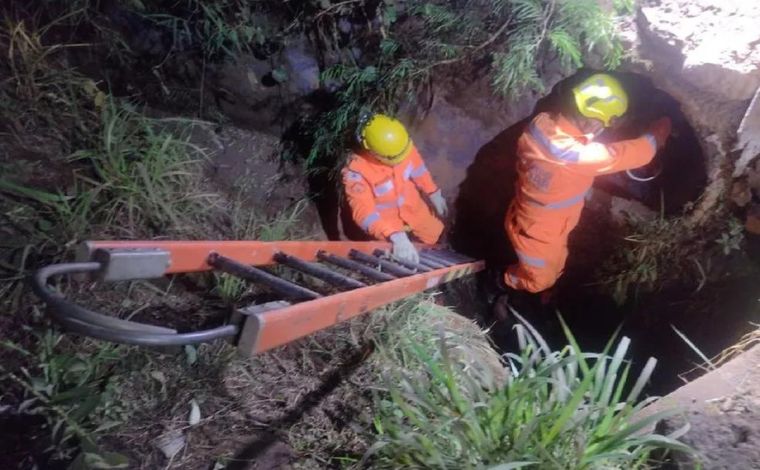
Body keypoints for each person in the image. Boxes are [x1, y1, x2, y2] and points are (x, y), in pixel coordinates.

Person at [498, 73, 672, 306]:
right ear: (591, 122)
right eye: (604, 122)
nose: (602, 128)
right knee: (541, 280)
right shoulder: (577, 157)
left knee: (557, 261)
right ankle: (501, 282)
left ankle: (536, 279)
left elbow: (578, 144)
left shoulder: (542, 123)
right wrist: (662, 128)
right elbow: (642, 152)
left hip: (529, 213)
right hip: (538, 232)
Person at [341, 113, 448, 264]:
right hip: (388, 231)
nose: (402, 160)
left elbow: (419, 170)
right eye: (394, 159)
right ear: (373, 152)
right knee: (403, 265)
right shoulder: (357, 172)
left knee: (439, 240)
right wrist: (395, 235)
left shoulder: (400, 145)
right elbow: (364, 214)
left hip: (417, 214)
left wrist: (433, 192)